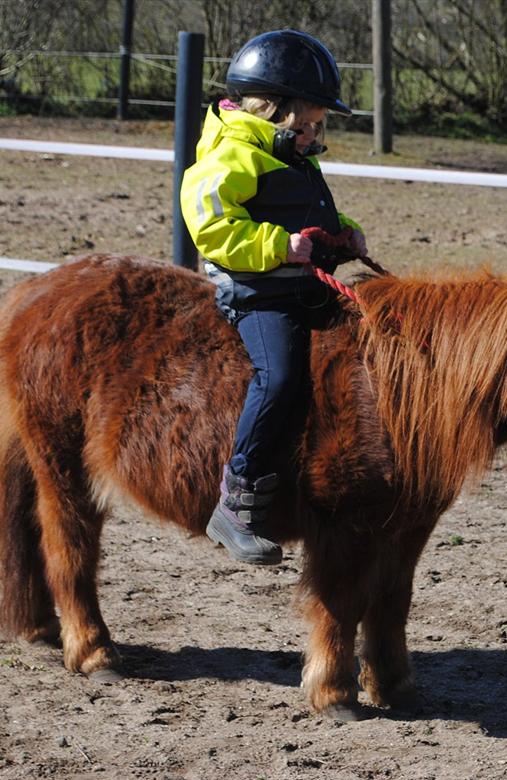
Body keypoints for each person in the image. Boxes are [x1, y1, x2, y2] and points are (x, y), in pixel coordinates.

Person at [180, 29, 366, 566]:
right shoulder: (231, 155)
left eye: (317, 126)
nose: (313, 135)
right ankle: (236, 501)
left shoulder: (291, 153)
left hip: (300, 284)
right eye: (306, 124)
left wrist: (344, 233)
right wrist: (281, 247)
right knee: (279, 375)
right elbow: (212, 228)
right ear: (272, 112)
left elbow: (304, 214)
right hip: (259, 294)